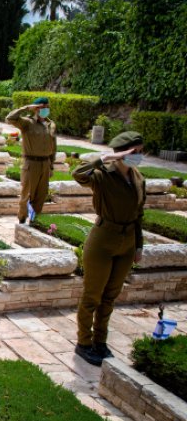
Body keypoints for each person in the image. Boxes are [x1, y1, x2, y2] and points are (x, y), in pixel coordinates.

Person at [72, 131, 146, 366]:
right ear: (121, 153)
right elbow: (77, 174)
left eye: (141, 151)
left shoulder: (137, 177)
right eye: (134, 151)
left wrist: (139, 245)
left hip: (127, 241)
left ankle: (100, 341)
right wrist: (104, 158)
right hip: (103, 239)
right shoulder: (102, 175)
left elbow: (139, 214)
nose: (139, 155)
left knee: (110, 296)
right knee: (92, 295)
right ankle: (84, 343)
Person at [5, 97, 57, 224]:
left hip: (45, 163)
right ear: (36, 108)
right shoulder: (27, 123)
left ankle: (35, 220)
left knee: (41, 194)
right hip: (31, 163)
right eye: (42, 107)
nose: (45, 109)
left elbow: (53, 146)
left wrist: (51, 166)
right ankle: (22, 219)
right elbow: (10, 118)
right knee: (27, 193)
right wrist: (26, 108)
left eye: (47, 107)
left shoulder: (51, 124)